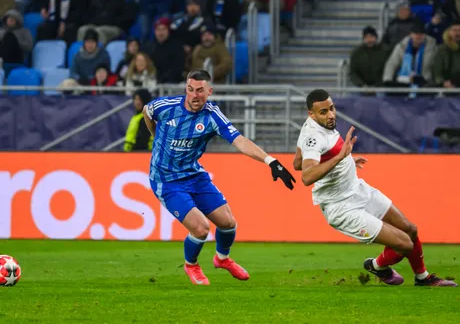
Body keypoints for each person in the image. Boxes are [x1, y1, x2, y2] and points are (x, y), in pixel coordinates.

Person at [143, 70, 296, 285]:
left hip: (194, 175)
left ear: (209, 91)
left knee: (228, 222)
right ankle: (191, 265)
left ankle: (222, 259)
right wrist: (154, 136)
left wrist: (270, 161)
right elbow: (146, 112)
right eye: (190, 90)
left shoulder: (212, 115)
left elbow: (240, 140)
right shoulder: (166, 107)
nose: (194, 95)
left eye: (200, 91)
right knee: (201, 228)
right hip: (166, 180)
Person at [293, 89, 457, 287]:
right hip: (341, 207)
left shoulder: (315, 127)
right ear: (311, 114)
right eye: (323, 112)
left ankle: (422, 278)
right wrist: (340, 157)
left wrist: (348, 161)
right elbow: (307, 176)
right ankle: (376, 265)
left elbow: (297, 162)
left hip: (358, 189)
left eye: (332, 108)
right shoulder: (313, 137)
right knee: (405, 243)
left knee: (411, 230)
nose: (331, 115)